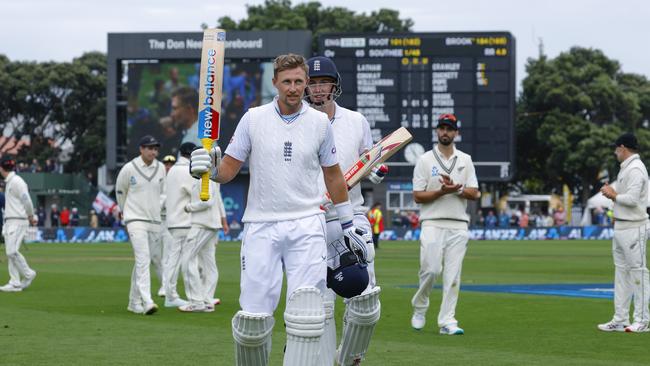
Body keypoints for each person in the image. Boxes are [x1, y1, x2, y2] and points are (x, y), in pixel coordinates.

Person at [190, 54, 368, 365]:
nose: (294, 88)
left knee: (308, 314)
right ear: (275, 83)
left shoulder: (319, 123)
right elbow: (228, 170)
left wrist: (348, 223)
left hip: (307, 224)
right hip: (262, 224)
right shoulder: (253, 118)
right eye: (287, 82)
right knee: (253, 321)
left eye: (300, 81)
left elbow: (333, 174)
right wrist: (209, 169)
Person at [305, 55, 384, 365]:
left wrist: (376, 170)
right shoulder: (297, 122)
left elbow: (368, 161)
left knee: (365, 298)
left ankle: (350, 357)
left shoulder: (356, 121)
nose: (318, 89)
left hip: (352, 213)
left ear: (334, 86)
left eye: (323, 82)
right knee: (320, 303)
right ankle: (320, 358)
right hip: (312, 218)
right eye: (312, 83)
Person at [410, 113, 480, 335]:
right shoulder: (425, 160)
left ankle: (447, 321)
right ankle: (420, 308)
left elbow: (474, 192)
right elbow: (418, 196)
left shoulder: (465, 160)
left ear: (456, 133)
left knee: (453, 276)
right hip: (432, 222)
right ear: (437, 131)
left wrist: (457, 188)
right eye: (442, 128)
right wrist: (441, 191)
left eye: (449, 129)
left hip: (459, 224)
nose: (445, 132)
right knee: (430, 270)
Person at [598, 132, 649, 333]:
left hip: (634, 227)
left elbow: (634, 200)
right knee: (621, 273)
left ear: (623, 148)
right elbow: (625, 199)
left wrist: (614, 195)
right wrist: (616, 204)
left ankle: (642, 320)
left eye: (616, 148)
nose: (614, 152)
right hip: (621, 226)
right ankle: (620, 319)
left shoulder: (636, 168)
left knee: (638, 272)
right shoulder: (626, 168)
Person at [115, 135, 166, 315]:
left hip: (154, 221)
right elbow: (120, 192)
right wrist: (125, 213)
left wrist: (156, 207)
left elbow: (163, 193)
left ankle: (133, 302)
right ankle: (147, 301)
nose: (153, 152)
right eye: (150, 148)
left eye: (155, 148)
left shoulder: (161, 168)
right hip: (135, 219)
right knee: (143, 259)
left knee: (142, 263)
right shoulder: (129, 168)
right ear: (141, 149)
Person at [178, 177, 226, 312]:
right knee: (208, 263)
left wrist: (189, 207)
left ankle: (196, 301)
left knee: (187, 260)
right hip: (211, 224)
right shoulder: (209, 178)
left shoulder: (205, 179)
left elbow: (208, 201)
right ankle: (207, 299)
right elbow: (216, 201)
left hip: (203, 224)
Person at [163, 142, 197, 308]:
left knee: (174, 259)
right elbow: (195, 193)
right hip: (184, 220)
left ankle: (171, 294)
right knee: (181, 261)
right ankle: (172, 296)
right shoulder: (186, 171)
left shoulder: (173, 170)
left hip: (174, 220)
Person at [0, 155, 38, 292]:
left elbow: (26, 200)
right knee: (11, 253)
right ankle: (14, 282)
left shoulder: (17, 181)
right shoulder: (10, 181)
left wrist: (30, 216)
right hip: (10, 221)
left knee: (11, 251)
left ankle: (28, 274)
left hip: (17, 221)